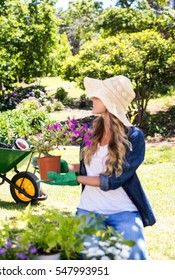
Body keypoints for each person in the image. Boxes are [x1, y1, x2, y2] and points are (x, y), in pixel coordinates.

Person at [45, 75, 156, 259]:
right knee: (89, 258)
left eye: (97, 96)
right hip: (89, 209)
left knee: (136, 257)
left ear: (109, 101)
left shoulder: (134, 138)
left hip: (123, 210)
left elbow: (114, 179)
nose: (91, 98)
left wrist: (76, 179)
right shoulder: (91, 131)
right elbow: (89, 168)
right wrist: (66, 168)